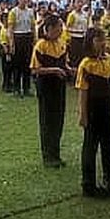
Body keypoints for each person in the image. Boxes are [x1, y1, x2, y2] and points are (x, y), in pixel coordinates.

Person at [76, 27, 110, 198]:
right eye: (98, 40)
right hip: (93, 108)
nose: (102, 44)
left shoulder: (108, 59)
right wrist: (83, 115)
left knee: (109, 144)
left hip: (108, 106)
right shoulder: (86, 64)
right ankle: (88, 184)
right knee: (90, 146)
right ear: (91, 42)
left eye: (103, 40)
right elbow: (83, 92)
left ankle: (109, 179)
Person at [31, 14, 70, 168]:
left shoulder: (62, 43)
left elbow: (64, 64)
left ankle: (56, 153)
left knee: (58, 119)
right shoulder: (41, 46)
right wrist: (54, 70)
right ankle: (48, 156)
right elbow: (35, 70)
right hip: (46, 86)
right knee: (47, 120)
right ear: (49, 29)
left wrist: (70, 69)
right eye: (58, 27)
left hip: (59, 85)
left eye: (61, 26)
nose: (61, 30)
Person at [7, 0, 36, 98]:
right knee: (17, 65)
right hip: (18, 37)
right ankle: (17, 88)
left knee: (27, 65)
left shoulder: (30, 12)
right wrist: (11, 43)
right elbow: (10, 29)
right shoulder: (13, 12)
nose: (24, 0)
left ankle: (27, 88)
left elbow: (33, 26)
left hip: (27, 38)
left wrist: (34, 39)